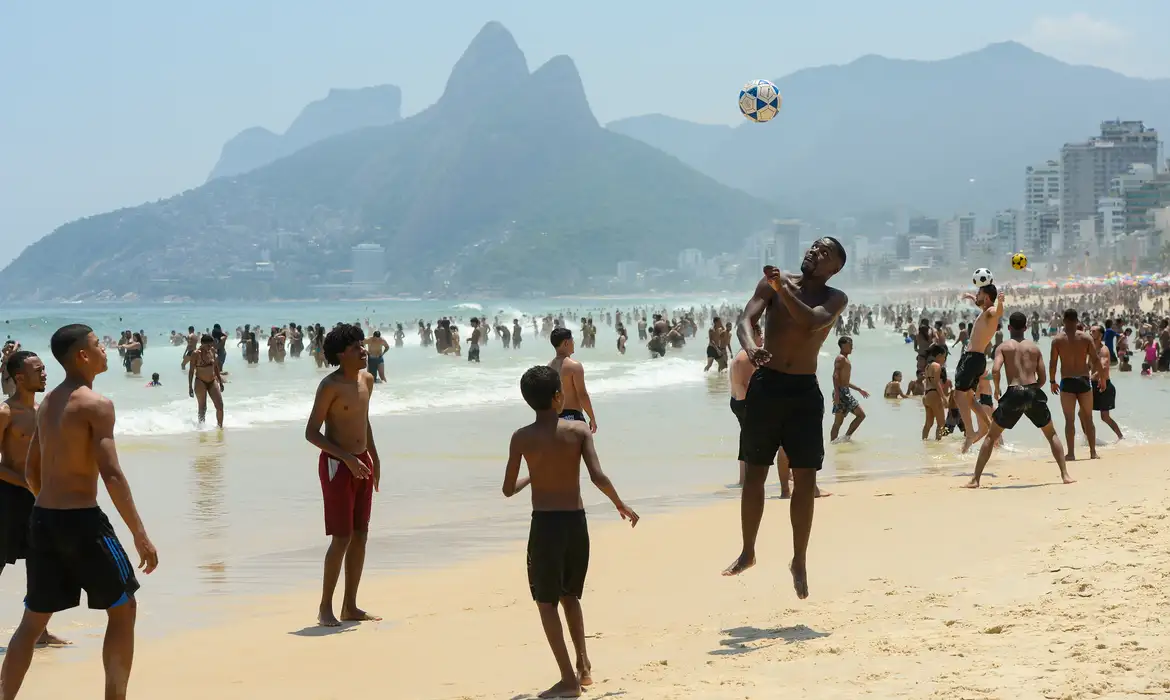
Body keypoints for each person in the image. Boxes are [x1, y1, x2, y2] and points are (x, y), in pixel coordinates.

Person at [0, 324, 159, 698]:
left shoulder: (48, 403)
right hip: (83, 522)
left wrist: (49, 504)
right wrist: (139, 534)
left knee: (32, 621)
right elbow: (112, 473)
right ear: (82, 356)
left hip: (43, 518)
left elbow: (31, 470)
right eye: (98, 344)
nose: (105, 349)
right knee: (123, 608)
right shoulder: (96, 405)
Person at [723, 237, 848, 601]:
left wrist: (782, 289)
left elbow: (810, 322)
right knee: (755, 472)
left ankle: (799, 560)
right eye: (814, 246)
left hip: (803, 392)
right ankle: (748, 551)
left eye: (824, 253)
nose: (814, 252)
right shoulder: (775, 283)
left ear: (835, 268)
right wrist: (750, 347)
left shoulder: (835, 298)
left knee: (805, 478)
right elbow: (745, 319)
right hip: (767, 386)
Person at [502, 365, 638, 699]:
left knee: (546, 602)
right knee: (570, 596)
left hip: (545, 526)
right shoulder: (579, 430)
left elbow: (507, 489)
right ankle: (584, 667)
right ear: (558, 397)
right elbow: (597, 476)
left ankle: (568, 680)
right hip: (576, 523)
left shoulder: (521, 438)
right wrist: (620, 503)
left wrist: (533, 475)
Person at [304, 323, 381, 627]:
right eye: (355, 348)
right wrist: (347, 458)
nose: (363, 351)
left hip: (362, 463)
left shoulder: (367, 380)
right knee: (342, 537)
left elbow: (364, 421)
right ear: (340, 355)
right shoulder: (330, 386)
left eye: (362, 345)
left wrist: (374, 457)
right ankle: (325, 607)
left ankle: (350, 605)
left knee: (361, 534)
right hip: (337, 465)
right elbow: (312, 433)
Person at [0, 351, 67, 647]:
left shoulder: (43, 410)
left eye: (43, 368)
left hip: (39, 497)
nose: (44, 373)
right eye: (37, 370)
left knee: (42, 564)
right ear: (19, 377)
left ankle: (39, 632)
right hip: (8, 498)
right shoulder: (5, 413)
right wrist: (26, 482)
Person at [965, 313, 1074, 488]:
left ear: (1009, 327)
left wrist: (998, 389)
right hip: (1032, 391)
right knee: (1051, 434)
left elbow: (995, 370)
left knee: (991, 436)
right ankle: (1065, 475)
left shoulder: (1003, 347)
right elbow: (1043, 378)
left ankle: (975, 479)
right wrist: (1033, 389)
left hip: (1013, 392)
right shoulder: (1034, 348)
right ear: (1026, 327)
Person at [1049, 309, 1105, 460]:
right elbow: (1095, 360)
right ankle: (1093, 452)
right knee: (1088, 418)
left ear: (1064, 320)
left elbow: (1053, 363)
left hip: (1067, 381)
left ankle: (1071, 454)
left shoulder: (1057, 340)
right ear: (1077, 320)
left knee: (1069, 420)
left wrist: (1052, 381)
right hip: (1083, 380)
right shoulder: (1086, 338)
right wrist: (1102, 379)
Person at [953, 285, 1003, 452]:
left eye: (979, 293)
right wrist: (970, 296)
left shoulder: (990, 311)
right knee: (968, 396)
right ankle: (988, 427)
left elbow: (997, 312)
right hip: (975, 359)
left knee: (958, 395)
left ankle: (970, 433)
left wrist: (1001, 303)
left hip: (972, 359)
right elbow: (983, 304)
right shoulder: (985, 310)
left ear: (987, 297)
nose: (977, 295)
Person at [547, 329, 596, 432]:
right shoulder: (574, 366)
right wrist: (592, 418)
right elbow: (582, 394)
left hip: (555, 419)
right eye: (572, 340)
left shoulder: (548, 367)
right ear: (566, 343)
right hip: (573, 417)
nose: (573, 343)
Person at [829, 336, 868, 442]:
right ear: (842, 345)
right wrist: (837, 394)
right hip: (841, 392)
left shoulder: (845, 359)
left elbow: (844, 381)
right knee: (860, 415)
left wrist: (859, 389)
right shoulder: (840, 358)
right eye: (849, 344)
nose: (852, 347)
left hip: (844, 391)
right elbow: (835, 376)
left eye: (852, 344)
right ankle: (844, 438)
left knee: (839, 422)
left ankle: (835, 442)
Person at [1089, 325, 1123, 441]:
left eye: (1094, 331)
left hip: (1104, 386)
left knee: (1105, 417)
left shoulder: (1104, 350)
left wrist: (1091, 377)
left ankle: (1121, 437)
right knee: (1082, 413)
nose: (1090, 333)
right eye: (1090, 331)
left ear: (1101, 335)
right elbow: (1087, 366)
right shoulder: (1091, 350)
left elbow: (1103, 367)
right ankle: (1089, 439)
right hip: (1092, 385)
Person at [188, 334, 225, 428]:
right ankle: (201, 428)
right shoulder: (196, 354)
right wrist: (190, 387)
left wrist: (220, 381)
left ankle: (220, 427)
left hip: (212, 381)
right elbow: (191, 371)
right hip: (200, 381)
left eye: (211, 345)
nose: (210, 347)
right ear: (202, 344)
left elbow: (216, 367)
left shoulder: (212, 351)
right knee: (203, 407)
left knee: (220, 405)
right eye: (208, 345)